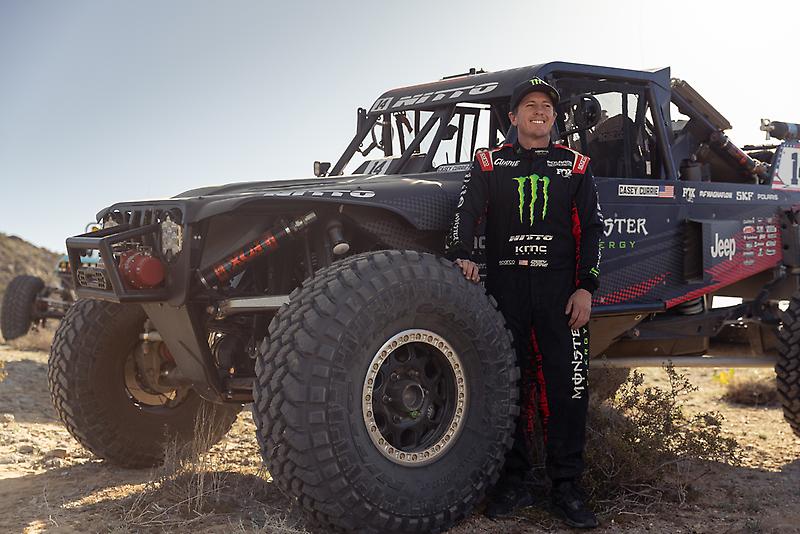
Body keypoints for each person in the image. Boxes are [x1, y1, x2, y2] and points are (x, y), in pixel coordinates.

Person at [445, 77, 602, 529]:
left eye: (547, 106)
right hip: (506, 291)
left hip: (561, 295)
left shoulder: (576, 166)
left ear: (554, 117)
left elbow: (592, 229)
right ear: (513, 117)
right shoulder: (490, 162)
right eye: (530, 105)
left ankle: (567, 487)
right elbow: (465, 214)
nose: (539, 111)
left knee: (568, 390)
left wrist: (586, 288)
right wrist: (463, 255)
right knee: (508, 388)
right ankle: (513, 483)